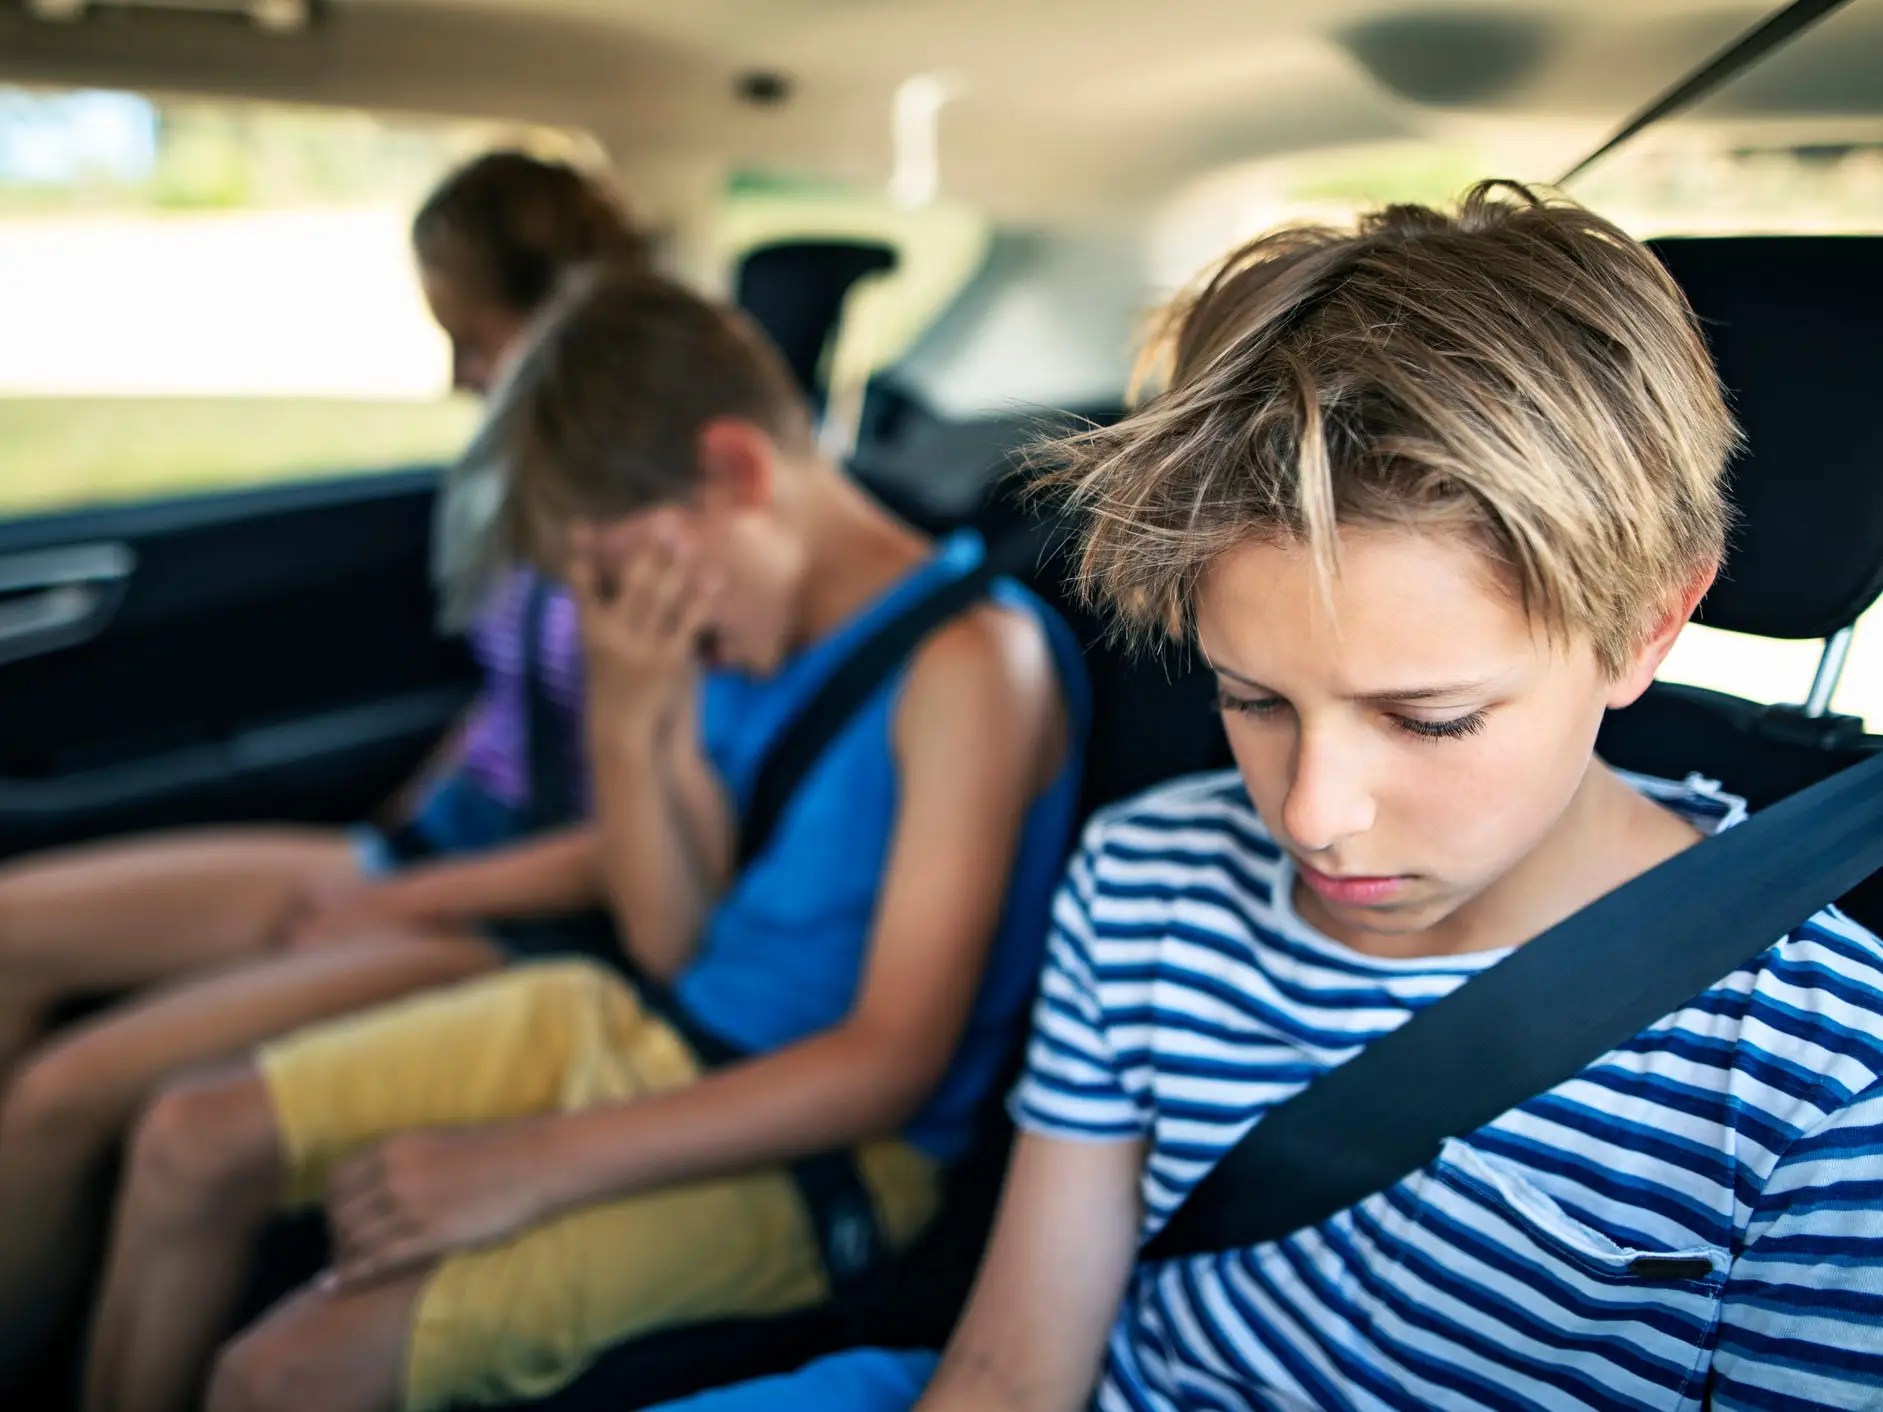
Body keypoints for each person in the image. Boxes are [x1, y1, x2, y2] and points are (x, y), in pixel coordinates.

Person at [641, 182, 1883, 1411]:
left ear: (1648, 623)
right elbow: (1012, 1369)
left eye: (1427, 718)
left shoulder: (1821, 1089)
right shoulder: (1143, 877)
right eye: (1250, 698)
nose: (1308, 816)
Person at [82, 267, 1089, 1412]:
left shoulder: (971, 666)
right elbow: (672, 946)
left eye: (619, 575)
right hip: (649, 1024)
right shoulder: (736, 633)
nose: (627, 613)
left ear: (735, 470)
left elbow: (886, 1062)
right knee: (187, 1136)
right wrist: (625, 713)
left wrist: (523, 1162)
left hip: (835, 1148)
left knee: (279, 1374)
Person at [0, 150, 646, 1379]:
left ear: (556, 315)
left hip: (521, 913)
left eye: (473, 338)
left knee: (63, 1093)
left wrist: (395, 896)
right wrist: (386, 834)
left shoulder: (644, 517)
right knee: (12, 924)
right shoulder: (533, 477)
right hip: (433, 849)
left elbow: (628, 835)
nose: (455, 375)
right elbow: (511, 701)